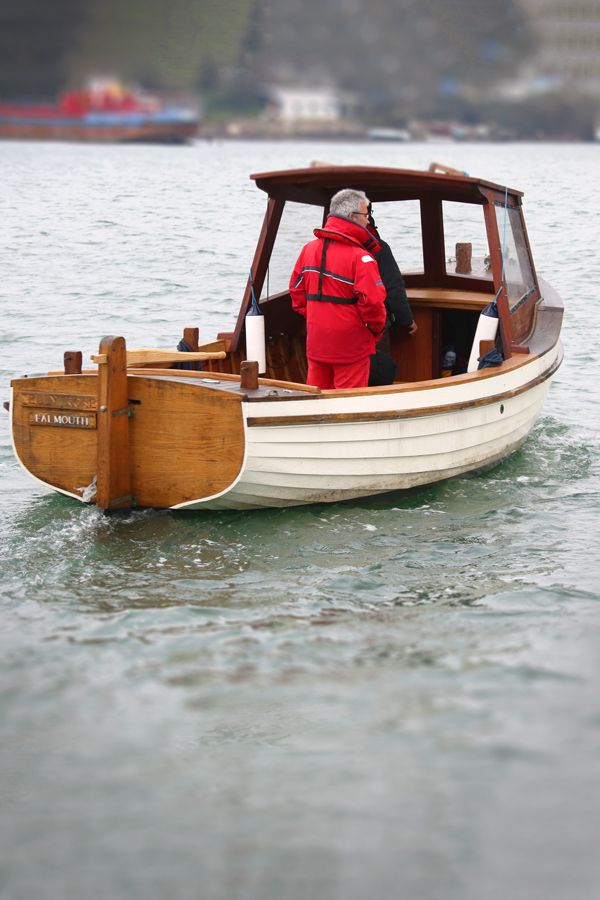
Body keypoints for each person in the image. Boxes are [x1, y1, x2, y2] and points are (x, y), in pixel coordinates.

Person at [289, 188, 387, 389]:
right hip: (351, 348)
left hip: (317, 342)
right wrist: (375, 332)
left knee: (316, 400)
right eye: (366, 215)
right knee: (348, 404)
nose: (368, 221)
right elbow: (374, 304)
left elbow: (296, 291)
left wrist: (317, 316)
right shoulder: (362, 258)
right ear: (352, 217)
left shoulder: (308, 250)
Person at [366, 204, 417, 386]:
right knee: (377, 377)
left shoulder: (321, 248)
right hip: (371, 328)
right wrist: (407, 320)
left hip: (327, 329)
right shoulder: (378, 248)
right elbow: (393, 290)